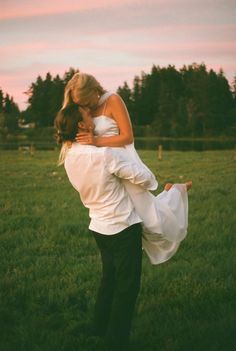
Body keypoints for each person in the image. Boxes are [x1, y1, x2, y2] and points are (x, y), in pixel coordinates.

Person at [55, 105, 158, 351]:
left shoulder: (69, 157)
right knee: (127, 286)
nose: (93, 117)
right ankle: (116, 340)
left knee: (109, 279)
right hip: (122, 226)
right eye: (88, 115)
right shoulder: (103, 155)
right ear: (82, 125)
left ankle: (98, 326)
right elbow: (148, 179)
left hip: (99, 226)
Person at [61, 71, 192, 264]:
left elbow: (127, 137)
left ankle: (176, 191)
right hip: (104, 171)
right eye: (79, 104)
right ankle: (165, 196)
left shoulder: (112, 100)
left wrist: (97, 141)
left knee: (152, 221)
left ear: (95, 90)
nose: (83, 107)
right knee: (130, 217)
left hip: (121, 163)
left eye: (85, 101)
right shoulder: (82, 110)